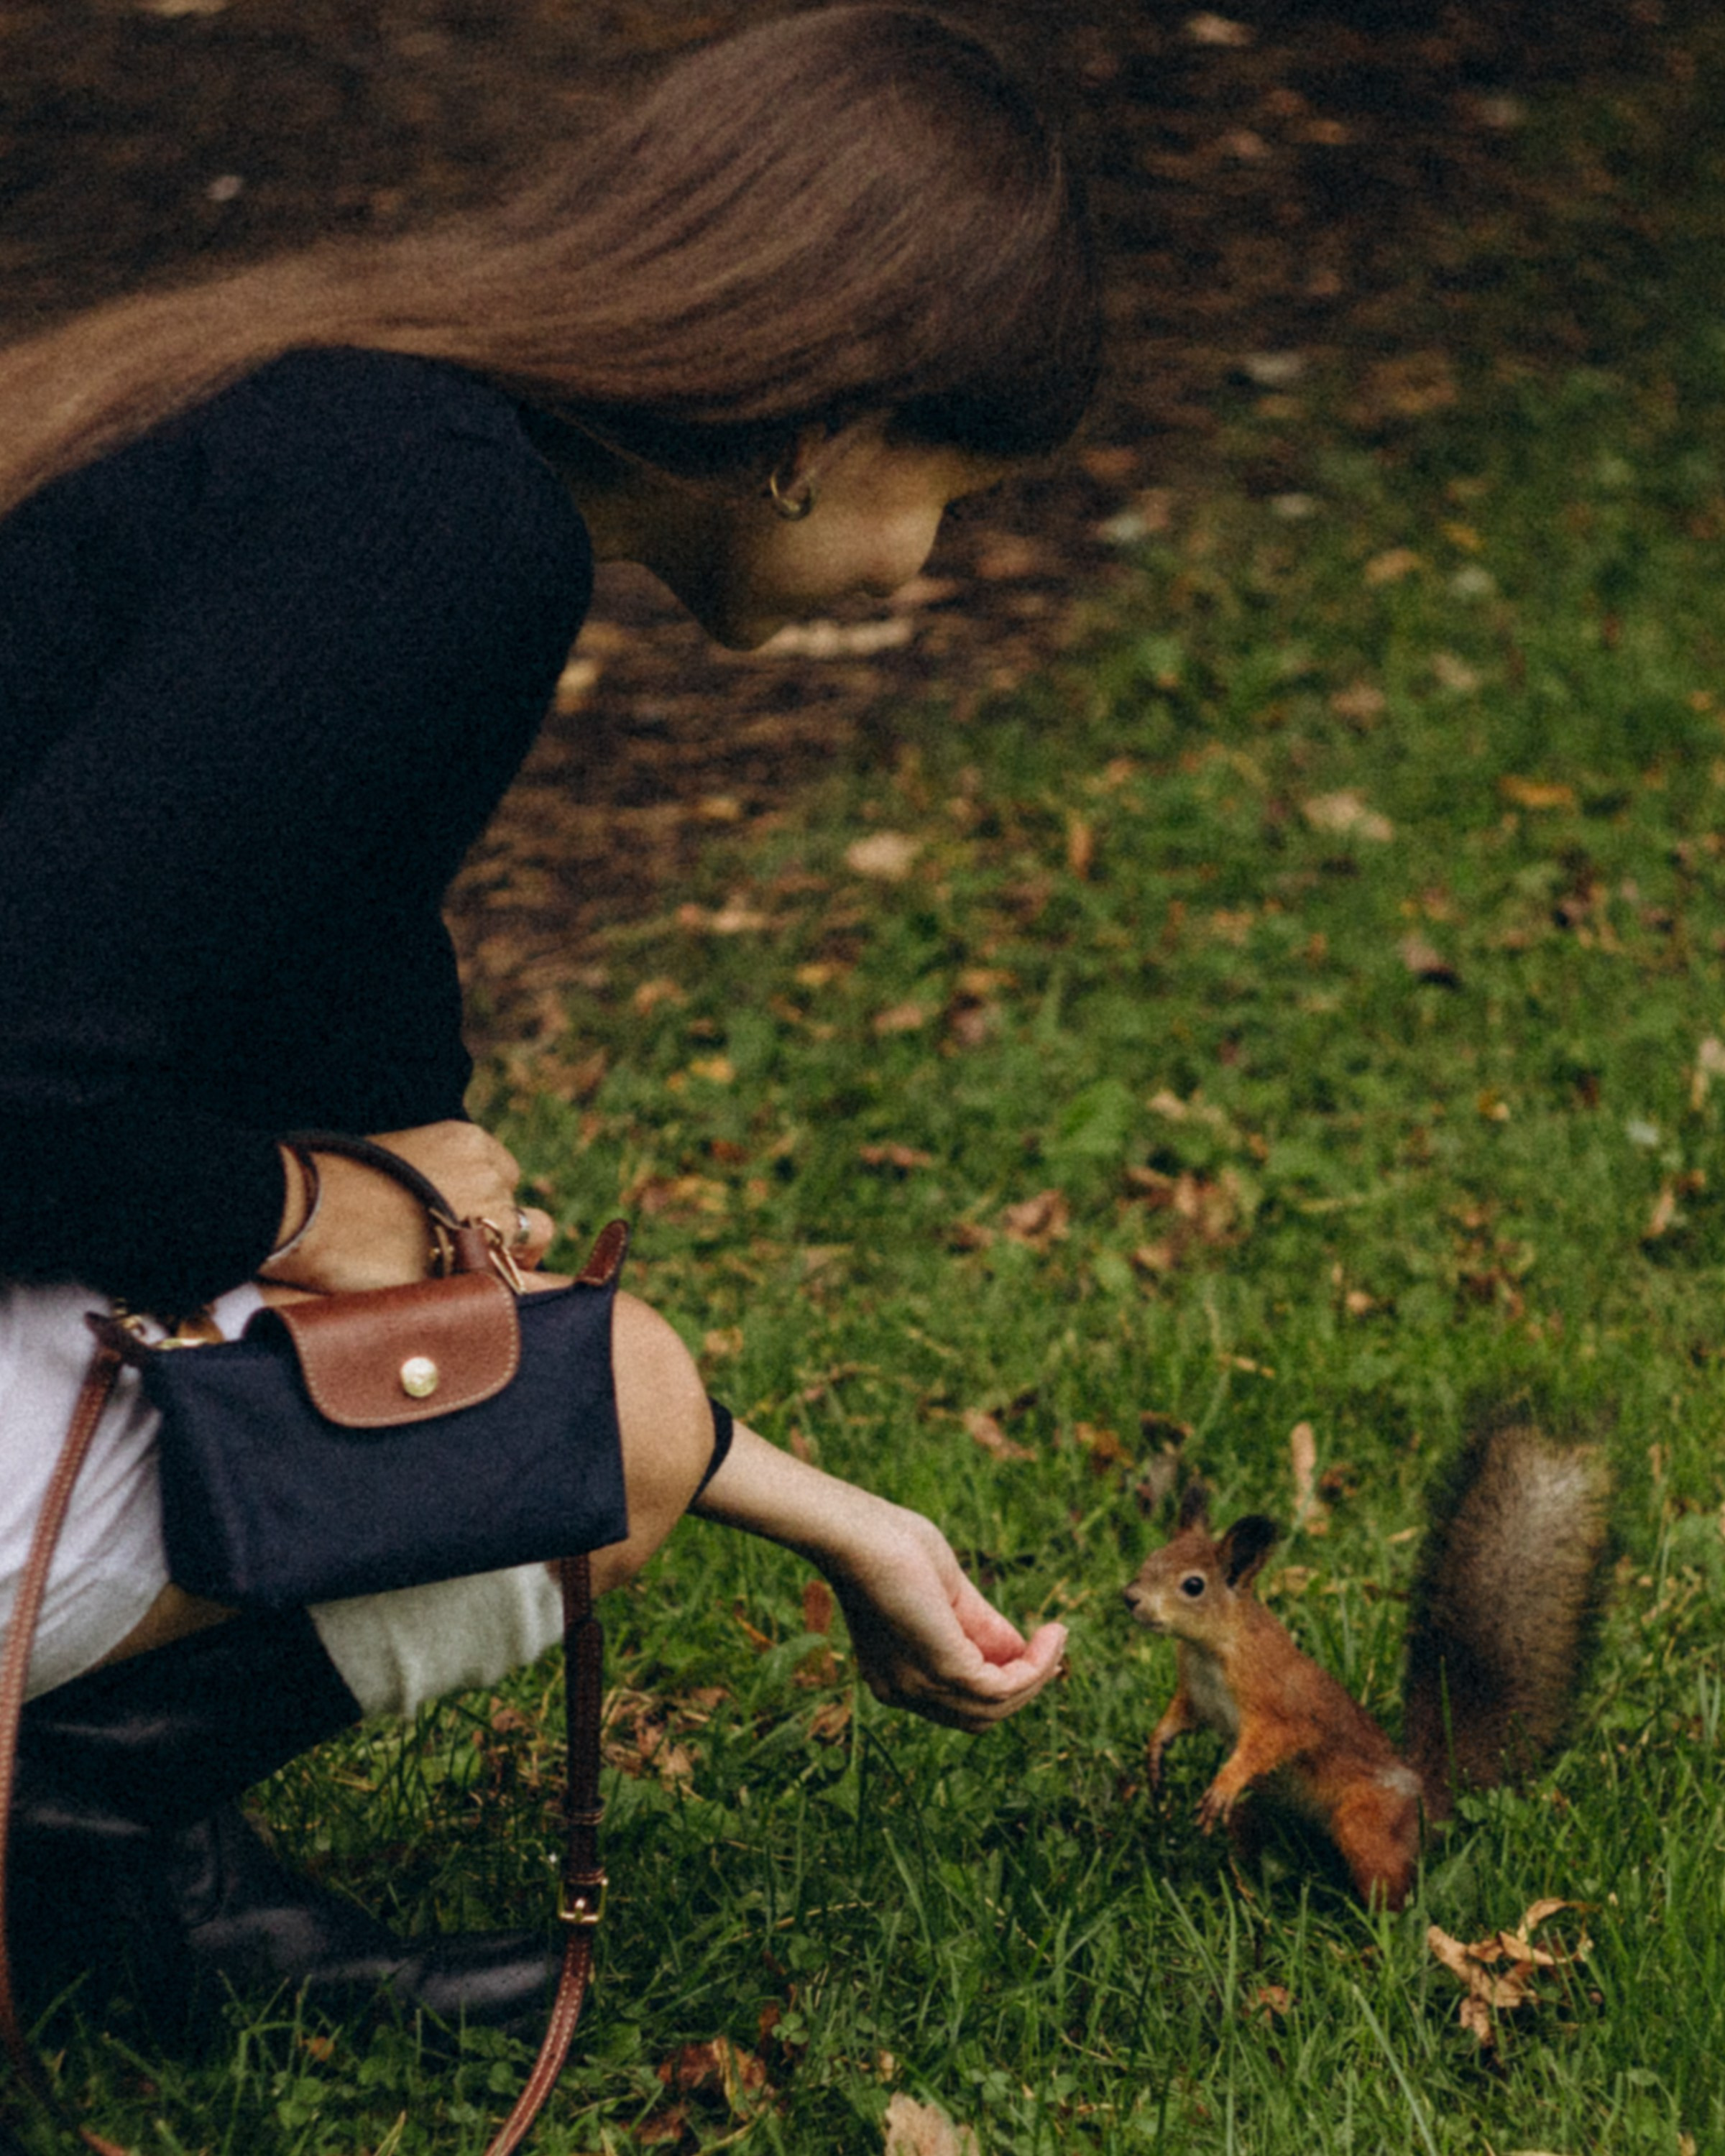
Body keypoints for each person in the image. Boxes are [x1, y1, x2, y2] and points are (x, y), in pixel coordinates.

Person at [0, 4, 1100, 2035]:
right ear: (827, 419)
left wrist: (826, 1515)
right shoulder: (437, 533)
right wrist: (300, 1204)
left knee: (583, 1389)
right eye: (957, 488)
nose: (930, 558)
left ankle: (95, 1852)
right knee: (588, 1401)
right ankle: (60, 1835)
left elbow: (332, 1125)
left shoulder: (373, 434)